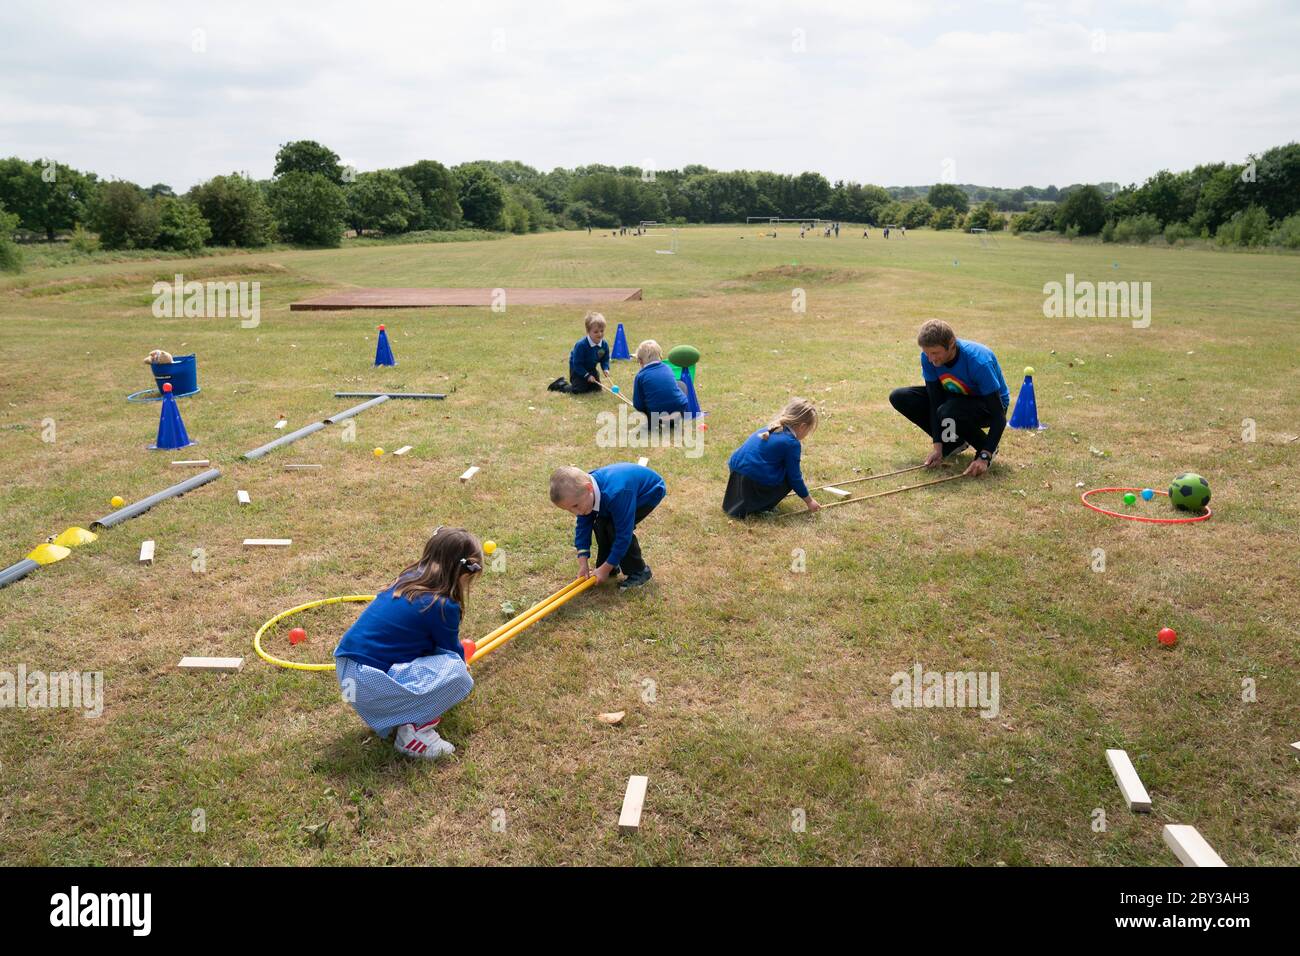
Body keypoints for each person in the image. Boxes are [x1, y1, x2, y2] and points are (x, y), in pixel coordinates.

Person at [334, 527, 482, 760]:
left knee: (446, 668)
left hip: (349, 673)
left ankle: (396, 710)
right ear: (464, 571)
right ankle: (414, 733)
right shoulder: (443, 605)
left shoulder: (408, 581)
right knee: (458, 675)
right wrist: (462, 663)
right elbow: (451, 654)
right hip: (367, 682)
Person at [887, 320, 1009, 478]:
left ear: (951, 343)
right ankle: (952, 443)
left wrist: (985, 456)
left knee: (948, 410)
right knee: (900, 397)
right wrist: (938, 447)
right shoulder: (928, 358)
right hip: (955, 399)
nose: (931, 359)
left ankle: (983, 445)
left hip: (988, 405)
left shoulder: (978, 361)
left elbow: (999, 415)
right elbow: (935, 401)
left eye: (935, 353)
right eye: (927, 353)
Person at [550, 463, 665, 590]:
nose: (576, 513)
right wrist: (583, 564)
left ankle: (639, 572)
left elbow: (623, 535)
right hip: (615, 497)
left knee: (615, 529)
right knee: (600, 524)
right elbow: (583, 529)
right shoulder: (583, 495)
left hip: (648, 492)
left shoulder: (617, 494)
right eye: (570, 510)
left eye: (576, 506)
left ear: (589, 488)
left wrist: (605, 568)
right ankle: (610, 566)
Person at [723, 398, 821, 517]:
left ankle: (746, 501)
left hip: (736, 473)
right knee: (788, 475)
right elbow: (795, 477)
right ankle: (759, 506)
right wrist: (809, 501)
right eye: (808, 431)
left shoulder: (770, 428)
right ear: (802, 426)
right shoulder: (792, 443)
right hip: (751, 479)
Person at [631, 339, 689, 430]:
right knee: (681, 385)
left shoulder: (640, 376)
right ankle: (675, 418)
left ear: (640, 361)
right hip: (678, 408)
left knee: (648, 398)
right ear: (661, 357)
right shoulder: (668, 368)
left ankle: (652, 422)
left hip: (656, 413)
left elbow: (638, 403)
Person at [548, 311, 610, 394]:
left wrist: (605, 368)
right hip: (577, 370)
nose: (600, 334)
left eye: (602, 331)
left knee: (596, 389)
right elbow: (577, 364)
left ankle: (587, 383)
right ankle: (560, 384)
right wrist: (587, 376)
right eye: (596, 332)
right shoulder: (581, 345)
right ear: (588, 332)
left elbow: (605, 359)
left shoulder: (604, 345)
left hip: (591, 369)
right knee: (578, 390)